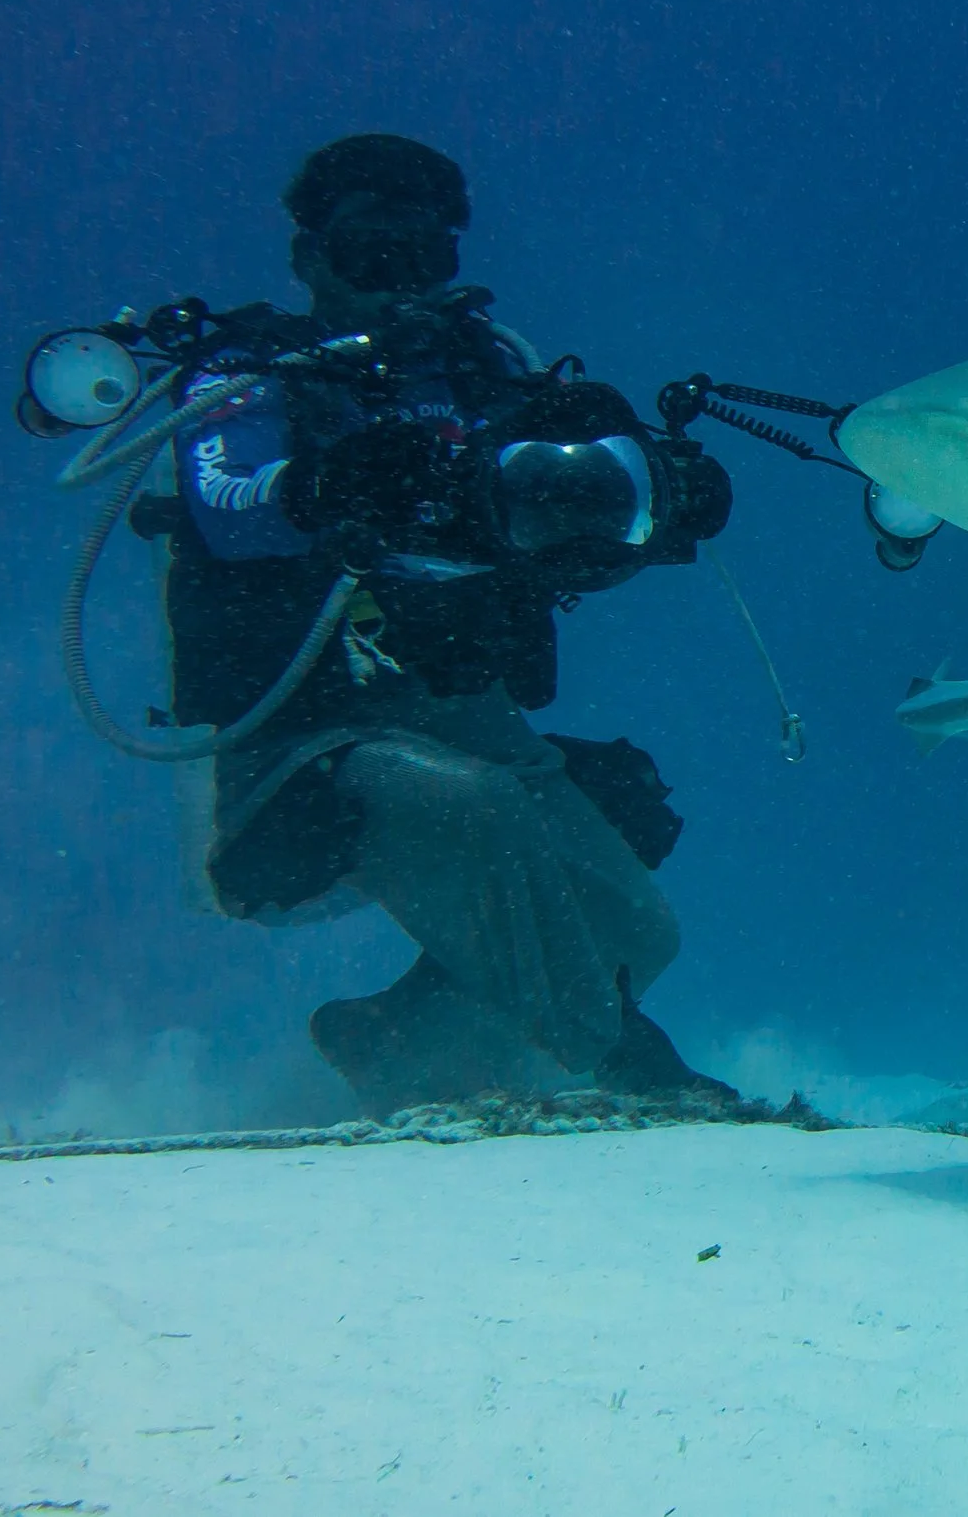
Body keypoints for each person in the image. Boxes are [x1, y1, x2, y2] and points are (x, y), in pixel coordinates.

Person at [163, 133, 737, 1115]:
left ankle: (394, 1049)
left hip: (465, 710)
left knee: (634, 928)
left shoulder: (489, 375)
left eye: (418, 250)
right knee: (473, 806)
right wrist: (321, 485)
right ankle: (635, 1068)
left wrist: (654, 501)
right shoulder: (250, 371)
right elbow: (224, 503)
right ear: (308, 259)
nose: (395, 274)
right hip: (301, 734)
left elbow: (569, 524)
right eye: (366, 248)